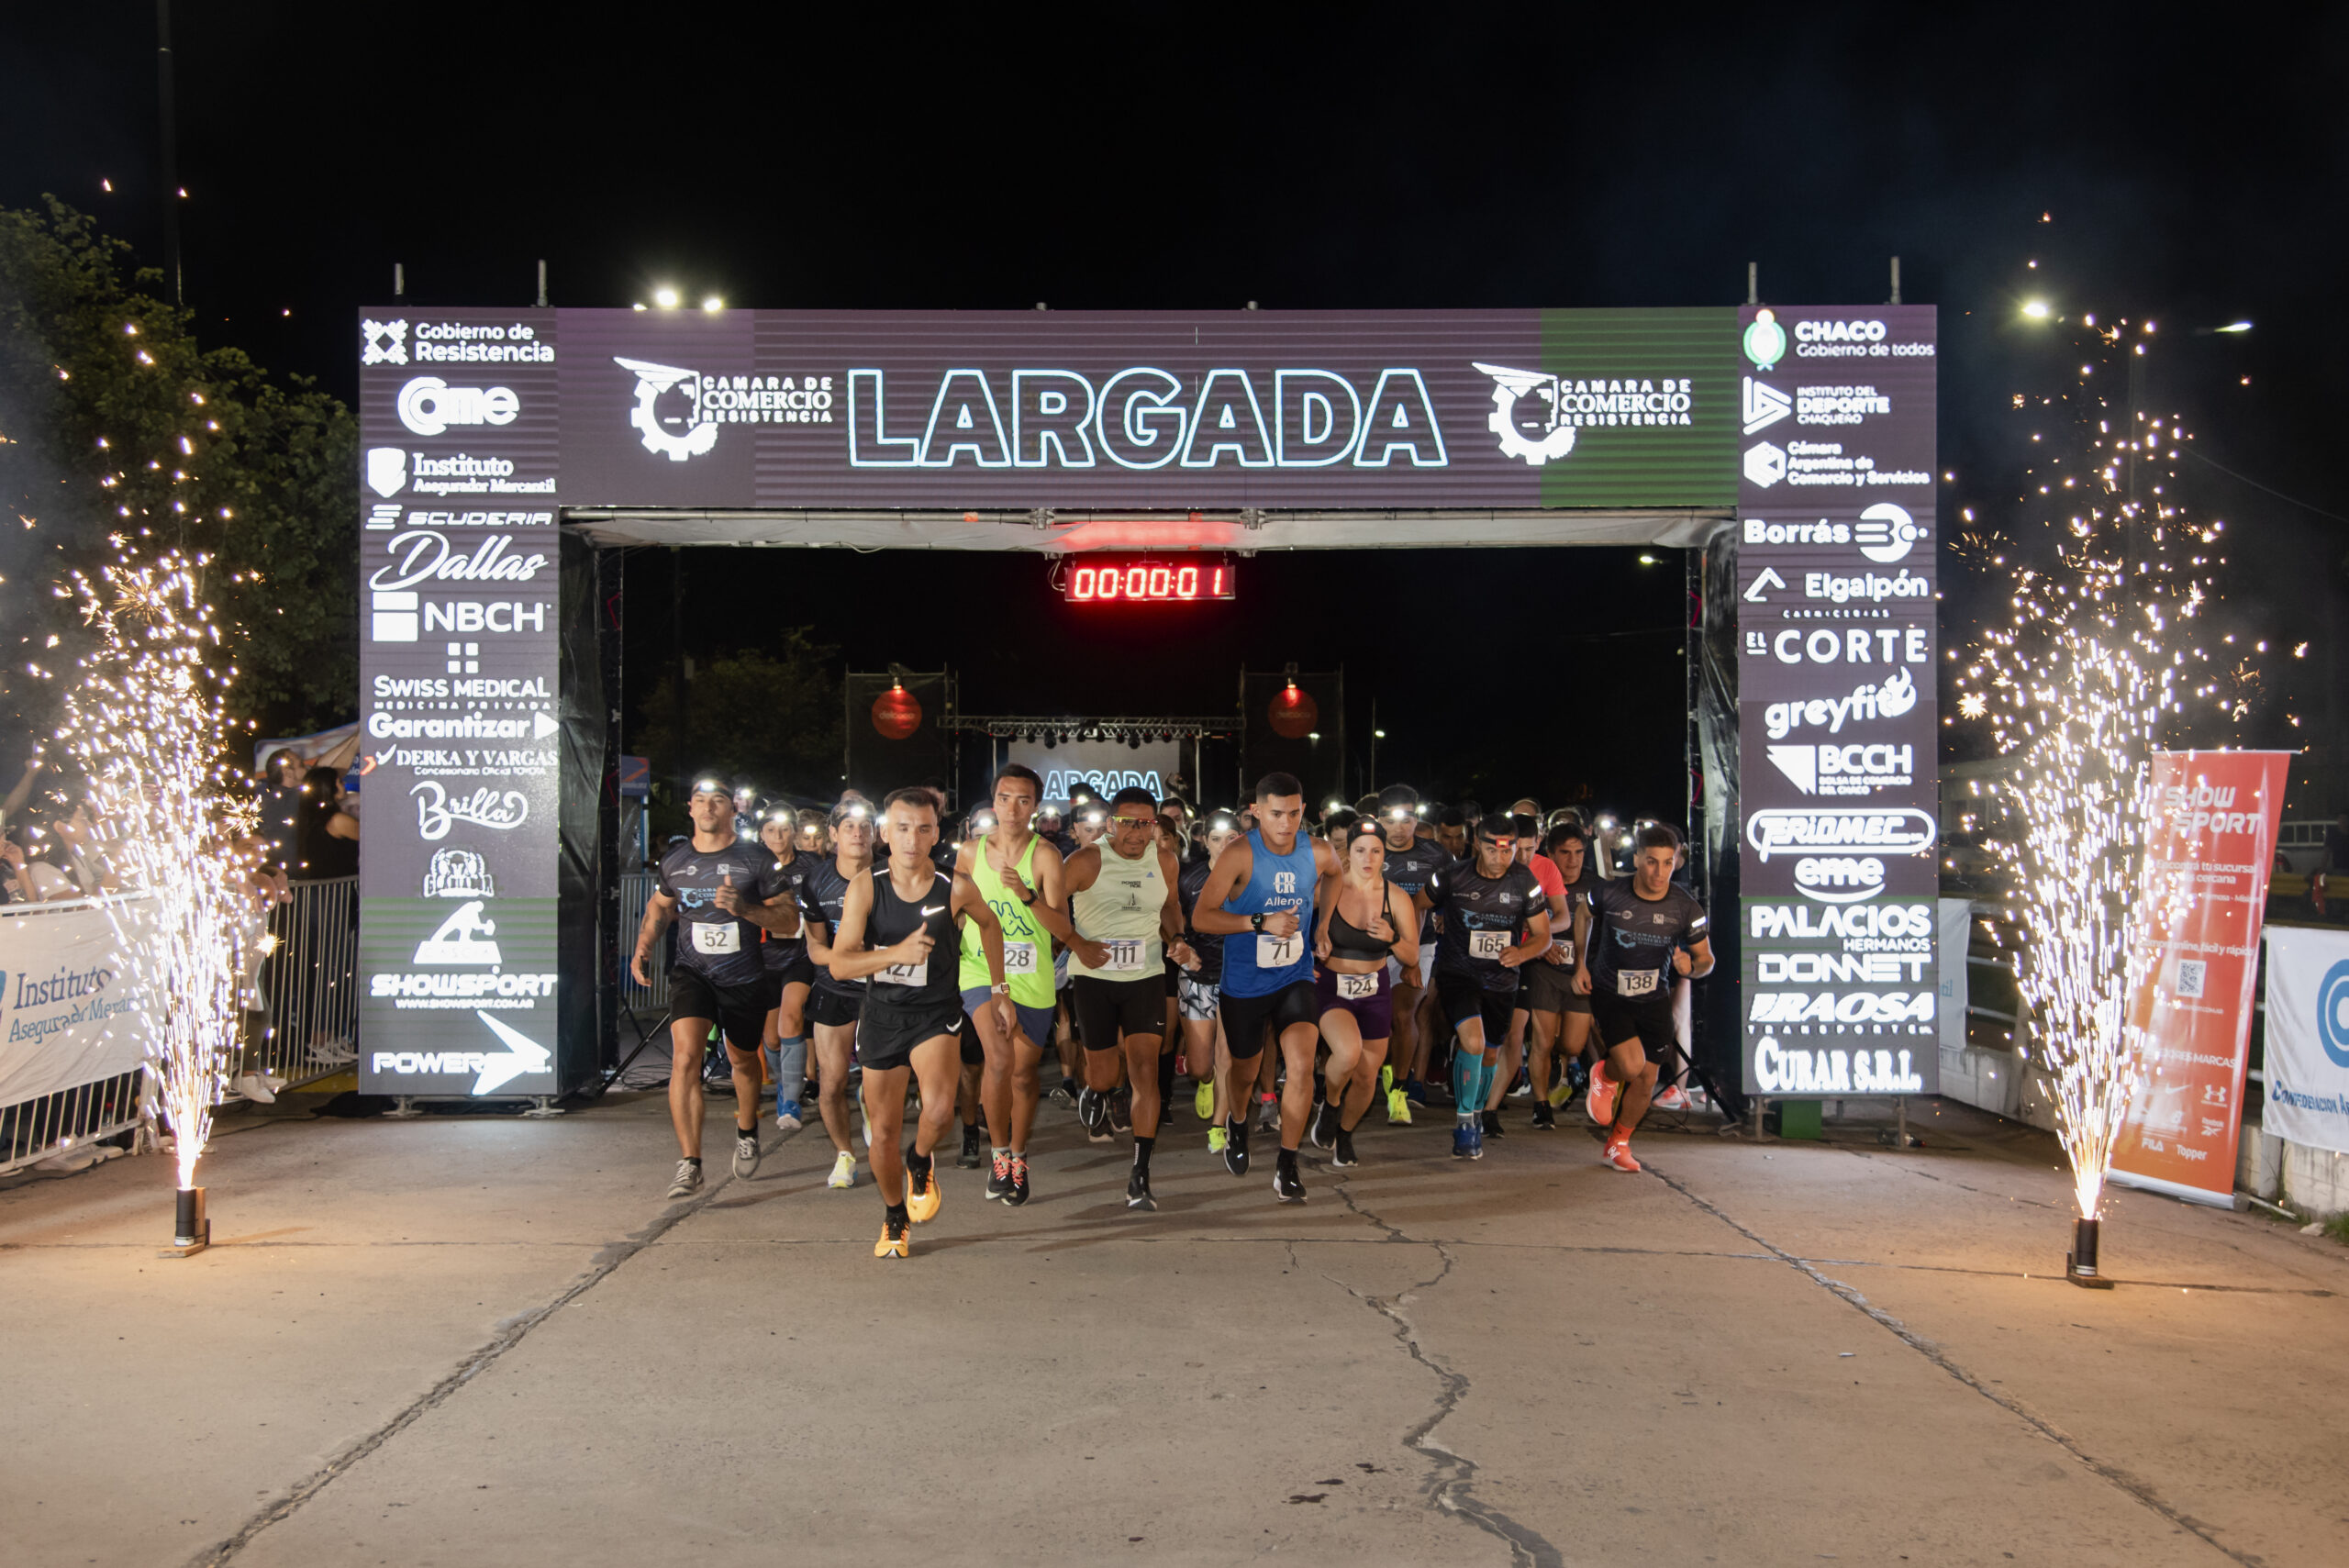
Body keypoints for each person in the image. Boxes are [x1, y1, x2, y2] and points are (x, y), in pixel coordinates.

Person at [825, 789, 1012, 1260]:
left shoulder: (957, 884)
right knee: (883, 1132)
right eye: (902, 828)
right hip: (884, 1016)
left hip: (935, 1012)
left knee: (938, 1112)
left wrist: (999, 988)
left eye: (923, 828)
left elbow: (991, 927)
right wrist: (894, 954)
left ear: (936, 834)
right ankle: (893, 1216)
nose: (912, 839)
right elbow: (840, 965)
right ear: (885, 833)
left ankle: (921, 1159)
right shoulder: (868, 885)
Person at [630, 777, 801, 1200]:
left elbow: (789, 921)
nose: (709, 807)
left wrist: (743, 908)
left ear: (732, 810)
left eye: (718, 800)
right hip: (693, 971)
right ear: (690, 808)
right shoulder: (676, 859)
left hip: (743, 976)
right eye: (701, 801)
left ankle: (747, 1129)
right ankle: (690, 1163)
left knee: (743, 1059)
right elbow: (660, 905)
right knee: (686, 1056)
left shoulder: (756, 859)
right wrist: (643, 948)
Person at [1191, 772, 1341, 1203]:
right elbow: (1202, 917)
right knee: (1244, 1072)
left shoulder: (1317, 850)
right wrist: (1258, 922)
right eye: (1276, 814)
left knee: (1300, 1068)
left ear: (1303, 811)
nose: (1286, 823)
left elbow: (1334, 875)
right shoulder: (1239, 855)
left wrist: (1324, 924)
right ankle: (1237, 1121)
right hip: (1244, 984)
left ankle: (1287, 1163)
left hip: (1294, 976)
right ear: (1256, 812)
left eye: (1294, 813)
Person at [1063, 785, 1194, 1211]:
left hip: (1146, 976)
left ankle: (1140, 1171)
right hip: (1094, 979)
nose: (1136, 832)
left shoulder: (1166, 860)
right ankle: (1097, 1091)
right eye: (1127, 822)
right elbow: (1043, 903)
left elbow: (1171, 906)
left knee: (1145, 1070)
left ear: (1155, 824)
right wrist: (1072, 941)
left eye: (1145, 823)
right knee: (1103, 1074)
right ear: (1110, 824)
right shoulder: (1086, 860)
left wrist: (1176, 936)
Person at [954, 764, 1073, 1207]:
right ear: (992, 801)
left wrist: (1027, 895)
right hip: (981, 971)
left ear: (1036, 807)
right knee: (999, 1061)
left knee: (1023, 1077)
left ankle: (1019, 1156)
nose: (1012, 808)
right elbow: (957, 913)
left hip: (1031, 976)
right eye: (1004, 798)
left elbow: (1060, 926)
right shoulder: (969, 853)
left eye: (1023, 800)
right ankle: (999, 1153)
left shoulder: (1045, 856)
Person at [1575, 823, 1715, 1173]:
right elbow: (1582, 914)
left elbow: (1707, 961)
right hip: (1611, 993)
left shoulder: (1686, 907)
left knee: (1647, 1079)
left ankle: (1618, 1143)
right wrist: (1580, 963)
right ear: (1637, 858)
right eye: (1652, 862)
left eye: (1668, 863)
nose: (1660, 871)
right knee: (1630, 1065)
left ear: (1677, 862)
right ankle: (1605, 1075)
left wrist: (1691, 966)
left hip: (1653, 998)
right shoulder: (1609, 893)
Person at [1420, 814, 1551, 1161]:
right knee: (1475, 1042)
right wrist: (1416, 944)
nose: (1501, 858)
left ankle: (1476, 1114)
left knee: (1490, 1051)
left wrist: (1522, 952)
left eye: (1508, 851)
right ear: (1478, 843)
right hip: (1459, 973)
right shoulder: (1452, 875)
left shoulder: (1525, 880)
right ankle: (1464, 1124)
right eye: (1494, 850)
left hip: (1502, 979)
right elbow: (1414, 904)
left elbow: (1545, 937)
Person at [1310, 819, 1419, 1169]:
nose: (1368, 858)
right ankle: (1330, 1102)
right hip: (1333, 988)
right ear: (1349, 852)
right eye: (1360, 850)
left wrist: (1391, 938)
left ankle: (1344, 1133)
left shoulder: (1397, 897)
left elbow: (1412, 957)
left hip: (1375, 991)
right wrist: (1308, 954)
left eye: (1376, 851)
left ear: (1384, 854)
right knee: (1347, 1052)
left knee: (1367, 1075)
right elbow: (1293, 923)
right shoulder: (1330, 889)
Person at [797, 797, 877, 1192]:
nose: (858, 834)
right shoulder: (816, 881)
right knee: (830, 1082)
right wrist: (843, 959)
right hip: (835, 986)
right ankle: (845, 1155)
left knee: (880, 1078)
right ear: (833, 835)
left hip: (883, 989)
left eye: (865, 826)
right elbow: (814, 946)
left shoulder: (894, 874)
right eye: (849, 826)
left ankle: (869, 1098)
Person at [1375, 785, 1448, 1120]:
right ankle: (1382, 1069)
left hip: (1420, 945)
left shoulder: (1436, 855)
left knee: (1405, 1015)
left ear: (1416, 820)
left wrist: (1445, 917)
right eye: (1390, 819)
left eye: (1406, 819)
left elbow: (1455, 894)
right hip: (1372, 946)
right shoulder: (1366, 851)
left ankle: (1400, 1091)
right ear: (1379, 820)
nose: (1399, 828)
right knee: (1379, 1019)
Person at [1175, 811, 1242, 1156]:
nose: (1224, 845)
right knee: (1201, 1065)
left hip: (1238, 977)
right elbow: (1171, 918)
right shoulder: (1189, 877)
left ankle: (1220, 1125)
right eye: (1217, 838)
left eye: (1232, 837)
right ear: (1204, 840)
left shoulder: (1253, 876)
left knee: (1226, 1056)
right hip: (1198, 976)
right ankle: (1205, 1082)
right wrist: (1181, 947)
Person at [1523, 821, 1598, 1129]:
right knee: (1542, 1041)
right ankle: (1541, 1106)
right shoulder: (1536, 880)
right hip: (1544, 970)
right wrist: (1540, 946)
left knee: (1572, 1045)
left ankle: (1564, 1067)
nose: (1572, 860)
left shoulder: (1597, 887)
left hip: (1578, 973)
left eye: (1579, 852)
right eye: (1565, 853)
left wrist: (1587, 963)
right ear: (1550, 853)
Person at [751, 806, 818, 1138]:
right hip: (764, 957)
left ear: (794, 832)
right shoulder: (752, 866)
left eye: (783, 830)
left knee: (791, 1017)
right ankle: (783, 1085)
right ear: (761, 835)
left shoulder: (811, 865)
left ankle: (791, 1101)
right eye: (770, 831)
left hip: (801, 955)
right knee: (771, 1036)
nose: (777, 837)